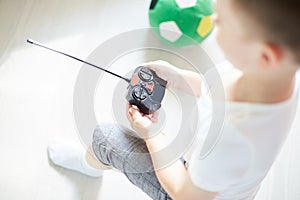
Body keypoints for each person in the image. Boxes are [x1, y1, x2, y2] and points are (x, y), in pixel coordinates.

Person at [47, 0, 300, 199]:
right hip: (216, 177)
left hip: (191, 188)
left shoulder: (232, 139)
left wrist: (153, 134)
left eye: (223, 21)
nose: (213, 19)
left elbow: (186, 195)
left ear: (265, 56)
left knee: (105, 138)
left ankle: (88, 165)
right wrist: (178, 77)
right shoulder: (276, 76)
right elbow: (215, 86)